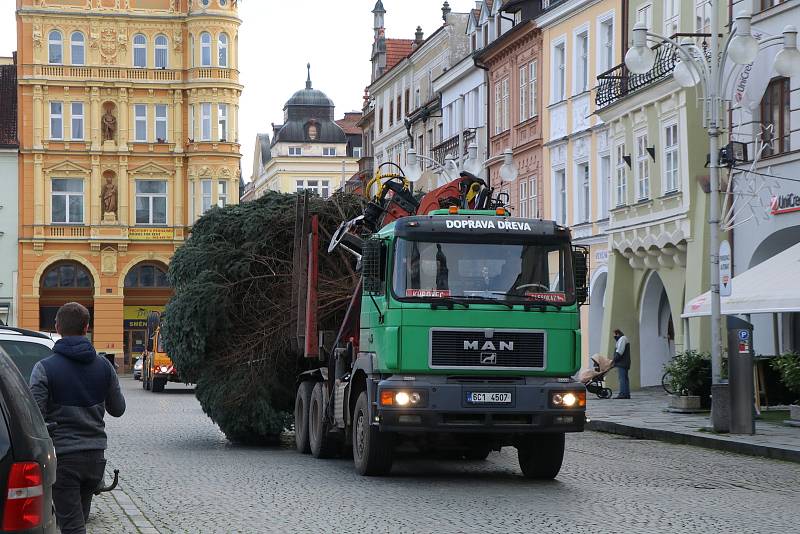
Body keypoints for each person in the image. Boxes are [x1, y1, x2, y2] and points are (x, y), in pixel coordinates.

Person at [29, 302, 126, 534]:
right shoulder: (104, 366)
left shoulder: (44, 368)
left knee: (72, 526)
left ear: (57, 327)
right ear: (87, 328)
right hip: (95, 458)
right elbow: (118, 409)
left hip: (64, 458)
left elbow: (34, 416)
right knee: (77, 520)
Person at [612, 328, 631, 399]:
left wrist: (614, 360)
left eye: (614, 335)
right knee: (625, 379)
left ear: (618, 334)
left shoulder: (622, 339)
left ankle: (623, 394)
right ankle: (626, 394)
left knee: (622, 379)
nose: (614, 336)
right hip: (624, 362)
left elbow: (620, 351)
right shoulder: (622, 339)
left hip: (622, 363)